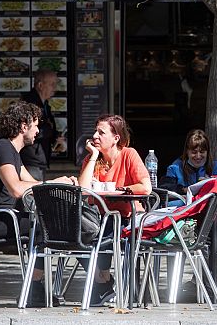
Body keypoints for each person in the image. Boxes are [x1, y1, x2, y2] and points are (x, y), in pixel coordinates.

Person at [0, 100, 77, 307]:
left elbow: (31, 184)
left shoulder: (12, 152)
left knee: (47, 223)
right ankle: (34, 289)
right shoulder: (2, 149)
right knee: (44, 226)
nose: (38, 130)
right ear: (24, 126)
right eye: (36, 125)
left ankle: (37, 288)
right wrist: (54, 183)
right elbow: (16, 188)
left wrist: (58, 182)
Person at [78, 114, 152, 306]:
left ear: (116, 138)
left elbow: (146, 186)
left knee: (103, 233)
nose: (95, 136)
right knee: (74, 234)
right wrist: (93, 156)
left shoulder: (129, 154)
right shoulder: (92, 159)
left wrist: (120, 190)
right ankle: (103, 283)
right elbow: (84, 191)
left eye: (101, 132)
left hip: (130, 218)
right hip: (102, 219)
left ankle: (104, 285)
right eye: (95, 131)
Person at [20, 68, 63, 181]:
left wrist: (55, 136)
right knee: (32, 194)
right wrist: (50, 132)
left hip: (39, 157)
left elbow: (47, 126)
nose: (55, 88)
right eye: (52, 84)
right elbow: (28, 131)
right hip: (31, 158)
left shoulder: (44, 103)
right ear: (40, 85)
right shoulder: (29, 103)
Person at [160, 129, 217, 198]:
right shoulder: (175, 167)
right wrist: (186, 190)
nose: (198, 156)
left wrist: (209, 184)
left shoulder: (216, 167)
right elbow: (165, 188)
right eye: (194, 152)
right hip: (183, 207)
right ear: (187, 151)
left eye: (202, 152)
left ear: (207, 152)